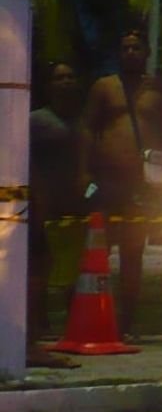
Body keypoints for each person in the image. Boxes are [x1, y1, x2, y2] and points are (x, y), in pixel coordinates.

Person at [81, 27, 162, 341]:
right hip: (108, 181)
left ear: (147, 52)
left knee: (133, 252)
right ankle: (85, 315)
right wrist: (84, 172)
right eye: (125, 48)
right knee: (96, 248)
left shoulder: (159, 92)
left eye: (136, 48)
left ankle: (127, 322)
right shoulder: (104, 87)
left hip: (143, 185)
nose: (130, 53)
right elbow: (87, 128)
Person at [26, 60, 85, 369]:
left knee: (66, 273)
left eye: (70, 76)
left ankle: (63, 334)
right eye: (58, 77)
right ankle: (29, 343)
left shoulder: (81, 120)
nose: (65, 82)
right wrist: (37, 196)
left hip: (71, 210)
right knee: (35, 274)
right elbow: (23, 159)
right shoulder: (36, 121)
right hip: (36, 208)